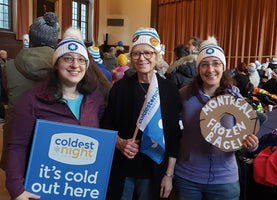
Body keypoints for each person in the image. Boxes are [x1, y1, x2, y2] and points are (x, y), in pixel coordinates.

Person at [5, 27, 106, 200]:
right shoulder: (32, 99)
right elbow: (17, 146)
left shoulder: (94, 96)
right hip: (46, 185)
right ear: (56, 63)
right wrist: (17, 189)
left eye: (81, 60)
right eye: (68, 58)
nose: (75, 65)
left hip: (82, 185)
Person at [173, 36, 259, 200]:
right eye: (204, 64)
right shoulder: (184, 95)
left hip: (224, 180)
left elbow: (244, 137)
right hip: (187, 178)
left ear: (223, 67)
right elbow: (170, 131)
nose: (210, 69)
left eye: (216, 64)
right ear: (198, 68)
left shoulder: (234, 96)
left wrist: (252, 145)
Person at [101, 27, 181, 200]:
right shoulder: (120, 88)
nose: (141, 58)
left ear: (157, 56)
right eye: (136, 53)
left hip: (155, 170)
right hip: (123, 169)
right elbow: (106, 125)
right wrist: (119, 143)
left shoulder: (169, 90)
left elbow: (174, 137)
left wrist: (169, 175)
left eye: (148, 53)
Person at [0, 12, 60, 170]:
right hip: (49, 135)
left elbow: (5, 98)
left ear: (31, 39)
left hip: (15, 133)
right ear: (55, 40)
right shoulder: (62, 67)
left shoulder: (9, 66)